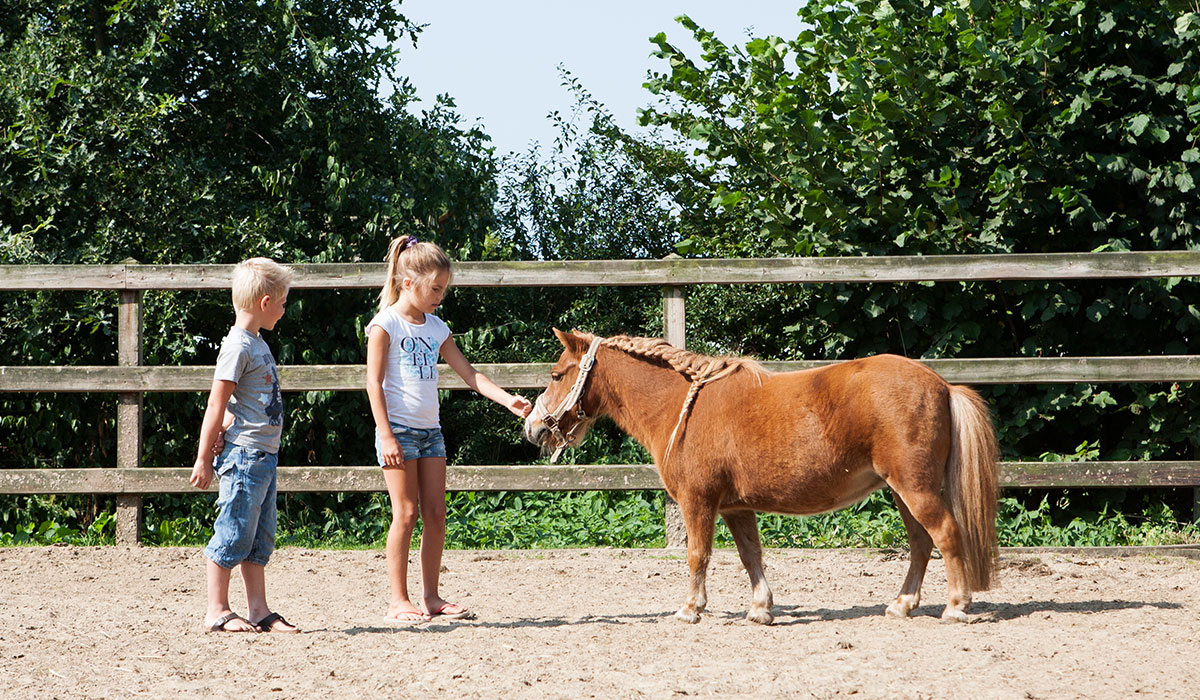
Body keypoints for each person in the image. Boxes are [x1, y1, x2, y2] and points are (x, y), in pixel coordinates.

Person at [366, 235, 532, 624]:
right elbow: (373, 383)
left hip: (431, 433)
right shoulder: (385, 325)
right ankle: (397, 600)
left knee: (436, 514)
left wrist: (508, 400)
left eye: (444, 289)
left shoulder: (437, 327)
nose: (440, 295)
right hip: (399, 432)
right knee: (405, 514)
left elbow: (470, 373)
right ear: (408, 282)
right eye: (435, 288)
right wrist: (386, 434)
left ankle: (431, 597)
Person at [189, 257, 299, 634]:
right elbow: (216, 403)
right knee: (234, 530)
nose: (284, 310)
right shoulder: (238, 346)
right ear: (265, 303)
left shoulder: (256, 342)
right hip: (245, 457)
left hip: (264, 456)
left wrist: (229, 423)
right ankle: (216, 609)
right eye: (282, 303)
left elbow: (239, 404)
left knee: (258, 537)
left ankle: (258, 610)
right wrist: (204, 458)